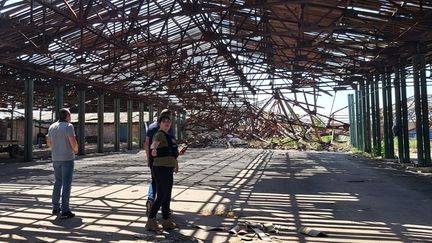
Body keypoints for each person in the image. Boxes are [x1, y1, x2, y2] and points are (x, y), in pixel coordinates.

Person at [145, 114, 179, 231]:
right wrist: (153, 150)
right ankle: (151, 220)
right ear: (160, 123)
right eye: (164, 121)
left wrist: (176, 163)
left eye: (169, 121)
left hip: (168, 168)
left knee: (167, 195)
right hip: (160, 168)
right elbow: (153, 145)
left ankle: (166, 220)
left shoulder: (169, 136)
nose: (167, 122)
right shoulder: (159, 134)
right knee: (161, 195)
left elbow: (171, 152)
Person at [46, 108, 78, 219]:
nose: (71, 117)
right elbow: (73, 141)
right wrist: (76, 150)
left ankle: (55, 207)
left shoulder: (52, 126)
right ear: (67, 116)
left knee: (57, 182)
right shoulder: (69, 126)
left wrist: (56, 149)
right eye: (70, 115)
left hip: (55, 158)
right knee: (66, 184)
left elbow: (49, 143)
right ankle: (65, 210)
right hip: (67, 159)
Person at [144, 109, 173, 217]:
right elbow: (170, 145)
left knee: (154, 181)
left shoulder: (151, 127)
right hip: (165, 161)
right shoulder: (166, 128)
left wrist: (148, 158)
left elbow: (147, 144)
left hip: (153, 159)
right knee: (165, 186)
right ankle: (164, 209)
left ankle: (150, 199)